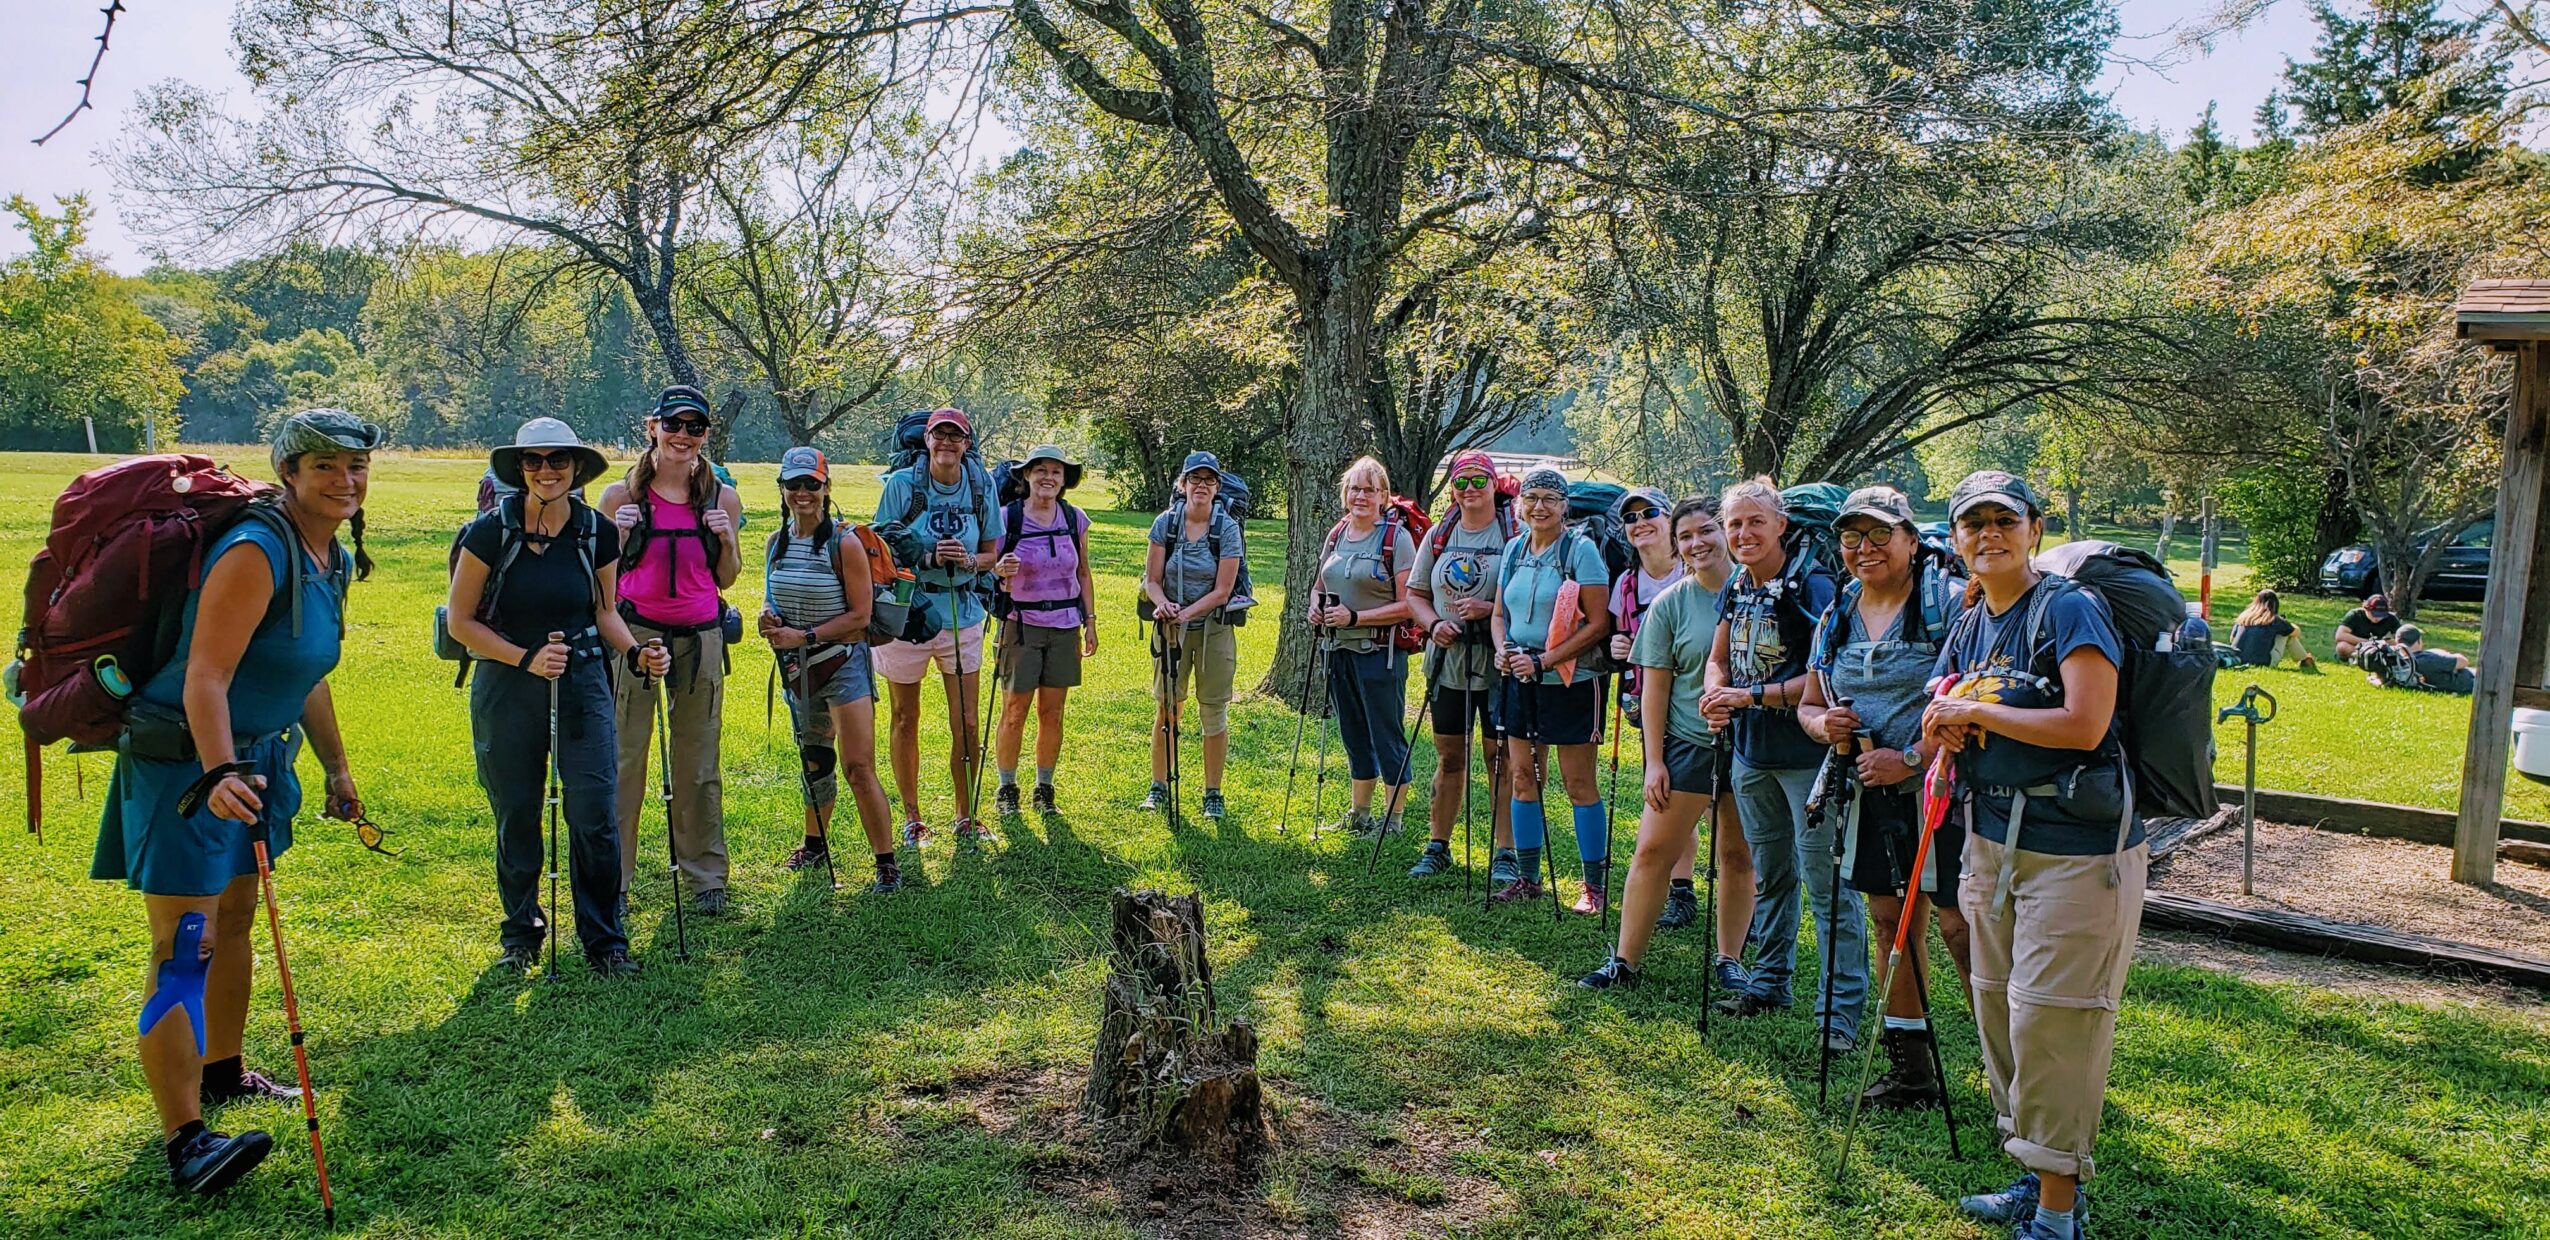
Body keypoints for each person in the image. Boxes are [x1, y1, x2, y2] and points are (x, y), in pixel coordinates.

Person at [94, 409, 381, 1197]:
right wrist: (218, 773)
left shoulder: (328, 555)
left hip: (257, 761)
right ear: (288, 472)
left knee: (235, 919)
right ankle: (185, 1140)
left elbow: (306, 671)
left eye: (356, 465)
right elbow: (206, 677)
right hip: (188, 767)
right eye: (324, 466)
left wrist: (336, 766)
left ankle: (224, 1072)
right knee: (184, 943)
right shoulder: (256, 549)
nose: (345, 480)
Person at [1924, 470, 2144, 1240]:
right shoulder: (1971, 618)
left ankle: (2055, 1216)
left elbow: (2086, 724)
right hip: (1990, 838)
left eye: (2004, 520)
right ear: (1957, 539)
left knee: (2054, 1022)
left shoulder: (2069, 608)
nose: (1989, 534)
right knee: (1998, 1008)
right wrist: (1944, 720)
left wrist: (1975, 713)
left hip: (2076, 848)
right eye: (1973, 522)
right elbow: (1944, 702)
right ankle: (2036, 1174)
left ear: (2034, 529)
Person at [447, 418, 666, 976]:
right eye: (534, 461)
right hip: (506, 684)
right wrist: (525, 658)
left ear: (576, 468)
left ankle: (605, 941)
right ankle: (521, 934)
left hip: (582, 681)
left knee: (593, 811)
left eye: (558, 460)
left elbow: (605, 612)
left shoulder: (596, 532)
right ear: (519, 469)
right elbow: (460, 623)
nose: (546, 471)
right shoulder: (488, 532)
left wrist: (637, 654)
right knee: (516, 811)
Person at [1796, 486, 1970, 1108]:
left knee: (1960, 927)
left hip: (1948, 791)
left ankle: (2012, 1067)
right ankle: (1911, 1071)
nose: (1863, 548)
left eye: (1878, 534)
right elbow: (1810, 705)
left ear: (1910, 540)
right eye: (1851, 537)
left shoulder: (1949, 605)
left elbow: (1975, 702)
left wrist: (1912, 759)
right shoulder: (1836, 614)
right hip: (1871, 794)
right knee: (1891, 924)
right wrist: (1825, 727)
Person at [1700, 479, 1855, 1050]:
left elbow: (1823, 676)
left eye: (1755, 522)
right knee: (1771, 876)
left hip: (1808, 759)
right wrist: (1716, 693)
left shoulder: (1811, 585)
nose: (1744, 533)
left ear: (1781, 526)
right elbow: (1718, 658)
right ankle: (1768, 984)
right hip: (1751, 754)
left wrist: (1748, 697)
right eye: (1735, 524)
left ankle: (1838, 1013)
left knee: (1827, 886)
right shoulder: (1737, 583)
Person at [1579, 496, 1745, 987]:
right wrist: (1655, 761)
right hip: (1689, 744)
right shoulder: (1672, 603)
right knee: (1653, 851)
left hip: (1752, 747)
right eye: (1685, 536)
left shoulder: (1759, 593)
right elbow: (1654, 691)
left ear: (1726, 531)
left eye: (1707, 530)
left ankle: (1730, 961)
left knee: (1737, 855)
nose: (1697, 543)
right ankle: (1625, 961)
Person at [602, 386, 745, 917]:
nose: (683, 435)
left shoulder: (722, 497)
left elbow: (727, 577)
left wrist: (727, 539)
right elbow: (601, 582)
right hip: (633, 635)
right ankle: (613, 881)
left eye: (695, 427)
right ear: (653, 428)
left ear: (706, 434)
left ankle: (706, 876)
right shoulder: (619, 497)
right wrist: (617, 538)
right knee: (624, 758)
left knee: (699, 761)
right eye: (673, 424)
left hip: (701, 636)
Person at [761, 448, 901, 893]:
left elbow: (860, 616)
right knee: (816, 760)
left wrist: (803, 636)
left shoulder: (845, 543)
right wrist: (769, 618)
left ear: (827, 488)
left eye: (812, 484)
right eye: (794, 484)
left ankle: (886, 864)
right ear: (782, 488)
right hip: (799, 669)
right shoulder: (776, 542)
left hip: (843, 664)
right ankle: (814, 845)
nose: (803, 492)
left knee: (858, 767)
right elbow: (771, 598)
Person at [872, 407, 1001, 849]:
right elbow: (878, 549)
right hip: (908, 613)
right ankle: (912, 818)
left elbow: (991, 553)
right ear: (927, 440)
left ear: (967, 443)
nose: (947, 442)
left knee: (966, 720)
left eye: (955, 436)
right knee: (905, 716)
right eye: (939, 435)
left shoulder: (981, 485)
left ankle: (967, 815)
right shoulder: (901, 485)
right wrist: (927, 556)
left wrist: (969, 561)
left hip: (962, 612)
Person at [1490, 467, 1616, 911]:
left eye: (1549, 498)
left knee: (1578, 782)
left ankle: (1594, 887)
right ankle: (1527, 878)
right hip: (1520, 678)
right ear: (1520, 504)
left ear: (1565, 506)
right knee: (1522, 776)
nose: (1539, 506)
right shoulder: (1513, 548)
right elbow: (1500, 614)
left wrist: (1544, 660)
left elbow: (1599, 624)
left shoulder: (1581, 551)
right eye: (1531, 498)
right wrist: (1502, 650)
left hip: (1572, 681)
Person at [1404, 452, 1516, 879]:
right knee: (1450, 755)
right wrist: (1434, 625)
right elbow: (1415, 594)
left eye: (1479, 480)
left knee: (1499, 757)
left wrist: (1491, 610)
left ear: (1494, 484)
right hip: (1448, 661)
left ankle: (1505, 853)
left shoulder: (1514, 534)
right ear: (1452, 488)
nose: (1471, 489)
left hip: (1497, 661)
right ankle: (1438, 845)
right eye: (1462, 482)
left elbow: (1528, 596)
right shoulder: (1440, 534)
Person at [1308, 456, 1420, 839]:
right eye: (1354, 488)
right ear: (1345, 493)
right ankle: (1360, 813)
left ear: (1383, 496)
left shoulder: (1396, 539)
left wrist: (1355, 618)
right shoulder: (1337, 533)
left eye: (1369, 490)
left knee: (1387, 734)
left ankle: (1393, 821)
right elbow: (1319, 586)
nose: (1361, 496)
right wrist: (1315, 606)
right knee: (1353, 733)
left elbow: (1409, 605)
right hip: (1338, 650)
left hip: (1380, 652)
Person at [1602, 485, 1696, 923]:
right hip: (1652, 704)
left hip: (1698, 700)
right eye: (1630, 518)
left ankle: (1747, 898)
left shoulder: (1693, 570)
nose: (1640, 523)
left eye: (1649, 513)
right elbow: (1619, 640)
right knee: (1668, 794)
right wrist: (1618, 647)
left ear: (1670, 520)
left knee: (1716, 804)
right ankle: (1682, 890)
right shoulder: (1625, 583)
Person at [991, 445, 1100, 817]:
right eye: (1040, 470)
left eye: (1055, 471)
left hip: (1065, 626)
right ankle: (1007, 787)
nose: (1048, 478)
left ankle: (1044, 788)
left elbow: (1083, 571)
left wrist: (1090, 622)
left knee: (1052, 712)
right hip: (1020, 625)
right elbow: (990, 567)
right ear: (1026, 475)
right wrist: (999, 570)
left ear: (1064, 479)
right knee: (1014, 710)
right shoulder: (1007, 518)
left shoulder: (1074, 518)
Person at [1142, 451, 1248, 819]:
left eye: (1209, 480)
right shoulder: (1165, 524)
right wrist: (1164, 606)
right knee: (1167, 707)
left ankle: (1212, 794)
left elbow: (1223, 590)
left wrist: (1185, 613)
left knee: (1213, 711)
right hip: (1170, 628)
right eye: (1194, 479)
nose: (1201, 485)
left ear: (1217, 487)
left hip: (1214, 628)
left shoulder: (1226, 529)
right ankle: (1159, 786)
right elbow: (1152, 581)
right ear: (1183, 484)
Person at [2230, 589, 2316, 670]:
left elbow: (2232, 639)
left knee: (2284, 632)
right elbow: (2296, 632)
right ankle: (2305, 660)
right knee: (2287, 634)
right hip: (2264, 662)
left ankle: (2305, 659)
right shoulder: (2273, 619)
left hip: (2238, 660)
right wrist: (2289, 624)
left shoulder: (2243, 618)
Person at [2399, 624, 2477, 694]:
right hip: (2469, 680)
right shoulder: (2427, 659)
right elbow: (2463, 661)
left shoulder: (2401, 662)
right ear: (2418, 642)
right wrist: (2447, 654)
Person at [2335, 593, 2401, 661]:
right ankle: (2365, 658)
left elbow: (2401, 638)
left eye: (2381, 615)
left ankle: (2372, 658)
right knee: (2342, 646)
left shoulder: (2391, 618)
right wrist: (2368, 643)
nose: (2377, 618)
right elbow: (2340, 635)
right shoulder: (2355, 615)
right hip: (2356, 646)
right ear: (2365, 609)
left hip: (2377, 648)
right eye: (2374, 614)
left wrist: (2387, 643)